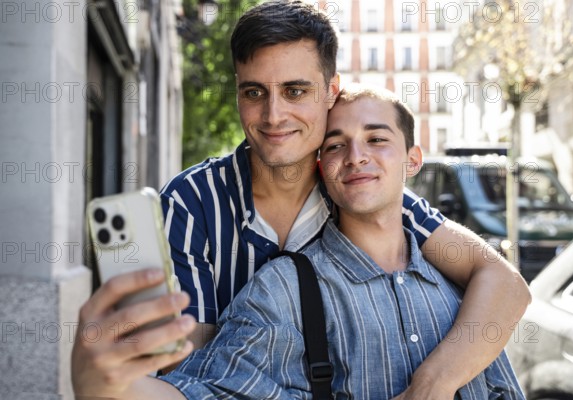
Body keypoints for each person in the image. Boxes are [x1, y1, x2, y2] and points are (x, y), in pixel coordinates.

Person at [71, 0, 530, 397]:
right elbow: (190, 372)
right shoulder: (192, 203)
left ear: (331, 92)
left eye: (295, 90)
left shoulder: (353, 188)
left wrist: (431, 384)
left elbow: (502, 281)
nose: (274, 116)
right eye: (254, 92)